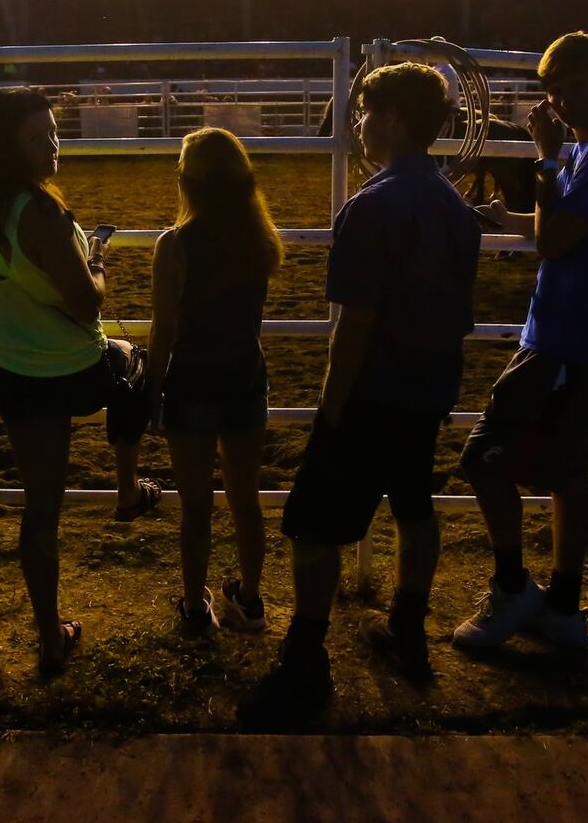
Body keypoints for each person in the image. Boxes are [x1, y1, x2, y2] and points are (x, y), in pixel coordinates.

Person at [239, 64, 480, 726]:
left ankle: (306, 661)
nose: (360, 123)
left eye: (367, 110)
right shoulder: (454, 206)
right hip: (429, 387)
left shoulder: (370, 208)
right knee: (413, 502)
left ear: (393, 119)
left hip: (372, 392)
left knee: (312, 526)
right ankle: (407, 629)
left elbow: (355, 325)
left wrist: (330, 407)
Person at [452, 32, 588, 652]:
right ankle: (564, 608)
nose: (561, 102)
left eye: (572, 87)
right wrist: (503, 218)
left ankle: (515, 589)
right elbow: (561, 224)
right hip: (581, 335)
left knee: (484, 459)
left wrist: (544, 160)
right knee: (567, 473)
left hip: (565, 338)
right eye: (552, 91)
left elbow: (556, 241)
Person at [0, 88, 159, 677]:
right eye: (37, 136)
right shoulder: (41, 211)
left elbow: (1, 277)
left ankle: (50, 636)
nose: (52, 143)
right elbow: (86, 304)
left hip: (16, 371)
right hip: (70, 371)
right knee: (134, 364)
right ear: (10, 146)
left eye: (53, 131)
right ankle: (127, 488)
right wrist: (96, 259)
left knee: (40, 510)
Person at [146, 128, 281, 636]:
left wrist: (153, 388)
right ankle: (249, 598)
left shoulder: (175, 245)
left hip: (192, 382)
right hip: (245, 375)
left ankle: (194, 605)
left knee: (196, 504)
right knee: (246, 496)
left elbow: (164, 329)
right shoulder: (257, 240)